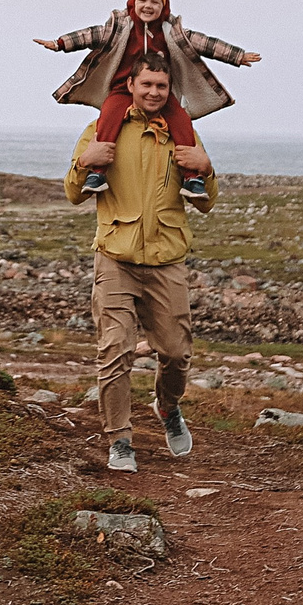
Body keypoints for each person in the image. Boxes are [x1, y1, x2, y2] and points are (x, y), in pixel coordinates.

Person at [64, 56, 217, 474]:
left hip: (167, 259)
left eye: (161, 87)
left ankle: (167, 407)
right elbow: (74, 194)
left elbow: (205, 201)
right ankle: (120, 441)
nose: (153, 92)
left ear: (170, 90)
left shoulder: (182, 131)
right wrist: (83, 161)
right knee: (114, 350)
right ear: (130, 84)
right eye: (146, 84)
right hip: (115, 256)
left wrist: (207, 170)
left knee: (176, 353)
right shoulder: (101, 128)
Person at [35, 0, 259, 202]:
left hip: (167, 96)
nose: (148, 6)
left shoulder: (171, 31)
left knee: (181, 120)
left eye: (155, 2)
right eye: (143, 0)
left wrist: (237, 56)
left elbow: (204, 43)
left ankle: (192, 178)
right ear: (133, 2)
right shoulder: (121, 27)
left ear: (164, 7)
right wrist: (60, 43)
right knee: (109, 117)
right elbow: (91, 35)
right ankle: (97, 173)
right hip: (121, 88)